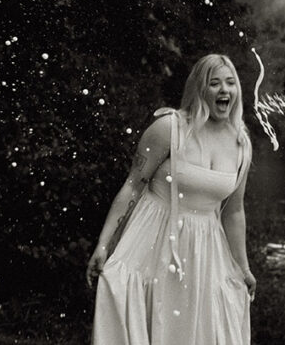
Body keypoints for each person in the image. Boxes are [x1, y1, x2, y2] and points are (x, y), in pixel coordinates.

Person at [87, 54, 256, 345]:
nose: (224, 90)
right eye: (214, 83)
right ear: (199, 89)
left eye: (230, 83)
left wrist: (243, 266)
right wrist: (104, 243)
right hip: (153, 235)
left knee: (199, 327)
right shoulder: (170, 128)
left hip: (205, 246)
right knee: (147, 315)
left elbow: (234, 212)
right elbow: (133, 185)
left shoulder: (242, 143)